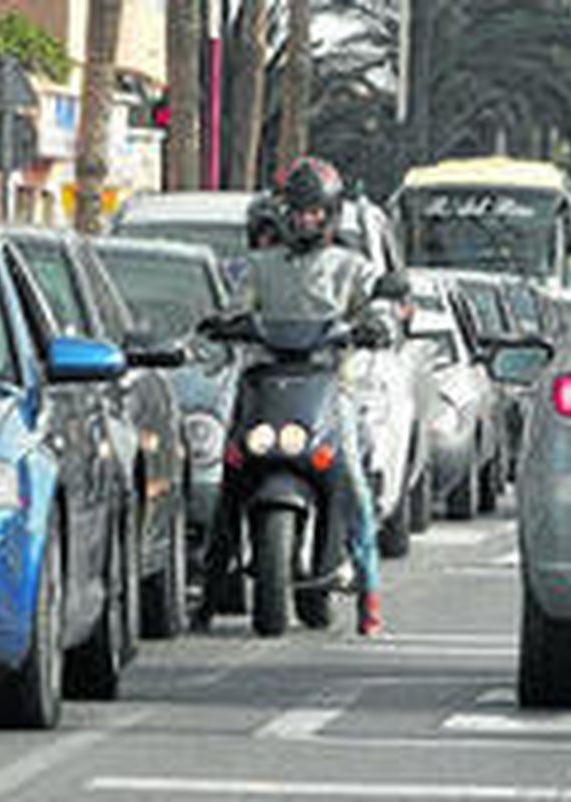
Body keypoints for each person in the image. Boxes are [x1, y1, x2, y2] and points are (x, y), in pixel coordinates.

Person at [236, 156, 392, 636]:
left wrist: (377, 323)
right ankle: (213, 571)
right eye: (299, 211)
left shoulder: (352, 267)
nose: (307, 220)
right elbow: (236, 303)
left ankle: (369, 593)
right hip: (267, 384)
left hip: (330, 389)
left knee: (355, 490)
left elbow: (378, 306)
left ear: (331, 215)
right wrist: (224, 322)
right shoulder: (260, 267)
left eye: (316, 212)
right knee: (228, 467)